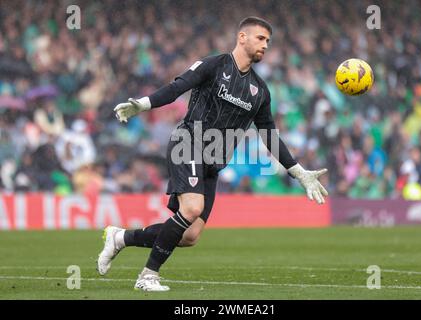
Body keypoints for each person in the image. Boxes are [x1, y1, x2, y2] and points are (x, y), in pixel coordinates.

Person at [97, 17, 328, 292]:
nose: (265, 45)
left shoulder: (260, 91)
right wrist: (143, 104)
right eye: (260, 38)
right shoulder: (214, 65)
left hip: (214, 161)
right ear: (242, 37)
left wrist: (298, 172)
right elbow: (177, 88)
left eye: (268, 41)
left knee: (190, 235)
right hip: (188, 143)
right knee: (192, 208)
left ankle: (120, 238)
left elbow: (269, 134)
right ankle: (148, 276)